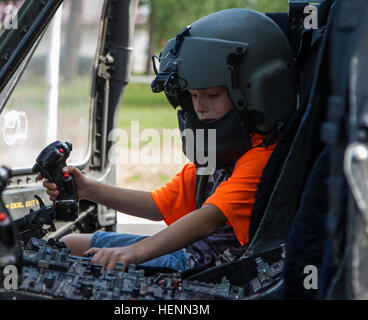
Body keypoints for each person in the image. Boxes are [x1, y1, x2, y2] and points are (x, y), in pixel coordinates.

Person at [39, 8, 296, 272]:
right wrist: (88, 189)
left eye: (212, 95)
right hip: (190, 253)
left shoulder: (260, 157)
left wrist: (133, 253)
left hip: (211, 267)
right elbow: (158, 205)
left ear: (252, 90)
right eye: (193, 96)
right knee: (67, 244)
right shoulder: (222, 150)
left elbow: (208, 219)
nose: (200, 108)